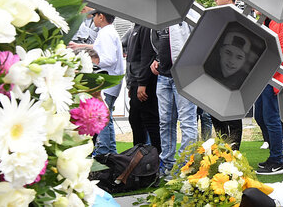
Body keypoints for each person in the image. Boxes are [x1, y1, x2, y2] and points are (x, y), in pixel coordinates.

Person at [68, 11, 123, 156]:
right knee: (107, 118)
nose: (93, 19)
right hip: (111, 81)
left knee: (102, 117)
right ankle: (110, 151)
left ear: (101, 16)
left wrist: (89, 61)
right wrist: (80, 46)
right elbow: (100, 48)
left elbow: (109, 59)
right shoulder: (107, 32)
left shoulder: (106, 33)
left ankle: (104, 151)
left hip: (107, 81)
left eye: (94, 16)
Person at [151, 24, 198, 177]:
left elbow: (200, 41)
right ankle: (167, 164)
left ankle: (186, 166)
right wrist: (157, 58)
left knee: (187, 122)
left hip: (184, 75)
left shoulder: (189, 13)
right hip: (164, 75)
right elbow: (157, 41)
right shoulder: (160, 15)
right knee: (165, 122)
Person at [254, 18, 283, 175]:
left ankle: (277, 161)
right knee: (260, 116)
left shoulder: (281, 20)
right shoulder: (266, 21)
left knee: (271, 119)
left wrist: (270, 70)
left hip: (275, 77)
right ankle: (276, 155)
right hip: (265, 77)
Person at [209, 0, 243, 150]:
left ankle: (234, 153)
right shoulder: (215, 16)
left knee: (233, 115)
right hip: (215, 73)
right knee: (215, 113)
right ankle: (223, 151)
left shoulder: (240, 17)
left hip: (235, 77)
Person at [125, 24, 161, 153]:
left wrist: (142, 83)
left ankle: (156, 156)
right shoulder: (134, 28)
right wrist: (131, 84)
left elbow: (146, 56)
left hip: (144, 81)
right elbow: (131, 59)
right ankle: (138, 155)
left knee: (149, 120)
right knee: (135, 119)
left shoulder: (146, 27)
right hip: (135, 81)